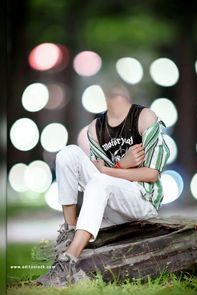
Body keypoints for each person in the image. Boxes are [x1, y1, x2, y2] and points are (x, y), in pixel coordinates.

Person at [36, 84, 170, 287]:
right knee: (67, 154)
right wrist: (120, 165)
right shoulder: (95, 128)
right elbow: (100, 172)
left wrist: (109, 170)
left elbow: (151, 174)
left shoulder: (145, 117)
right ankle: (69, 233)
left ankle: (69, 262)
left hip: (142, 202)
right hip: (111, 200)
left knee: (101, 180)